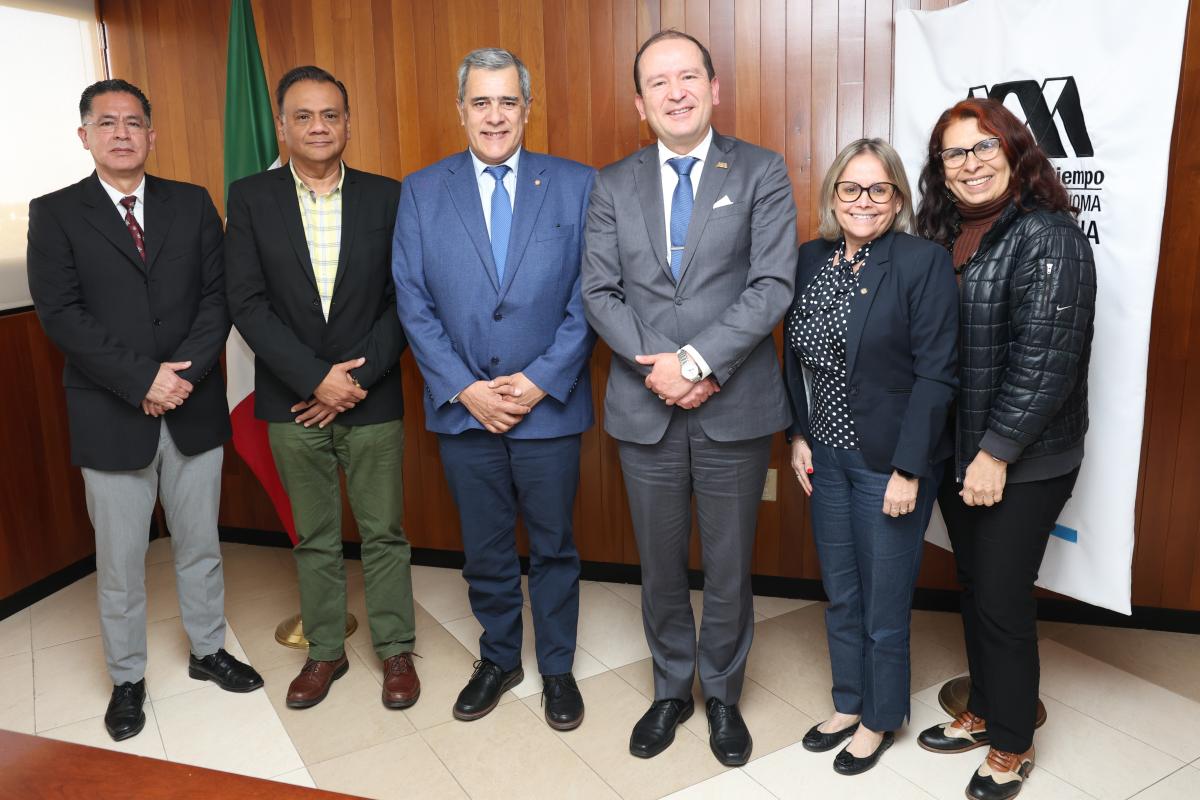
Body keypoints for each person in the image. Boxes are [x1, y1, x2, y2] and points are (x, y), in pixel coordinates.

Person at [581, 29, 797, 766]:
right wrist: (662, 370)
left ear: (713, 88)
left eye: (688, 77)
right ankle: (672, 689)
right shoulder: (611, 183)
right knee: (660, 561)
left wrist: (699, 361)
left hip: (732, 403)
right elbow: (600, 293)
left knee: (731, 562)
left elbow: (772, 285)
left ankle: (725, 696)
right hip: (646, 404)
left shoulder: (762, 172)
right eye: (657, 82)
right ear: (639, 102)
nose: (675, 92)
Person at [27, 79, 263, 741]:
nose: (122, 133)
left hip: (191, 407)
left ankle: (208, 650)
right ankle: (126, 678)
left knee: (200, 548)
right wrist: (143, 381)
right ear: (85, 136)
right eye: (107, 123)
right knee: (122, 563)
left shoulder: (191, 205)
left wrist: (178, 378)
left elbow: (217, 299)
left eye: (134, 122)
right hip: (111, 414)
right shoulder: (55, 213)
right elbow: (61, 316)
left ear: (151, 135)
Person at [393, 48, 595, 731]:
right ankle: (499, 657)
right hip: (465, 412)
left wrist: (539, 381)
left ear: (527, 109)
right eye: (481, 102)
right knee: (483, 547)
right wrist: (463, 389)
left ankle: (558, 667)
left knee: (554, 546)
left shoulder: (576, 185)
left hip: (549, 408)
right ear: (461, 111)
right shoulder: (422, 190)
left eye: (508, 101)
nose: (495, 115)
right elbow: (411, 300)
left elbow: (590, 296)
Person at [913, 98, 1096, 800]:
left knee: (1001, 598)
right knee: (975, 587)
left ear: (1015, 151)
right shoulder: (946, 235)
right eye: (955, 153)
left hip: (1022, 457)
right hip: (963, 452)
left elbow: (1047, 360)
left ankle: (1012, 743)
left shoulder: (1046, 235)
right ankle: (984, 708)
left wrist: (996, 452)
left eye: (985, 146)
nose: (970, 163)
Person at [225, 66, 418, 711]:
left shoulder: (388, 197)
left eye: (330, 114)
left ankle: (396, 651)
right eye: (303, 116)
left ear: (347, 122)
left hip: (373, 395)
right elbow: (247, 305)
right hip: (291, 400)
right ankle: (326, 652)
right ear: (281, 125)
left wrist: (354, 380)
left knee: (384, 532)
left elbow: (405, 301)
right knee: (314, 536)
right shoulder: (251, 197)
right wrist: (314, 379)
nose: (317, 127)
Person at [783, 139, 958, 775]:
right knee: (842, 591)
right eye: (850, 189)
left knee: (885, 599)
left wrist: (910, 468)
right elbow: (795, 356)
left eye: (878, 189)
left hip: (890, 463)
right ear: (833, 196)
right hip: (823, 457)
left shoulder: (921, 262)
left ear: (898, 198)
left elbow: (938, 375)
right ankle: (849, 701)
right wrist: (798, 433)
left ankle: (883, 716)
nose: (863, 201)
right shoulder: (811, 258)